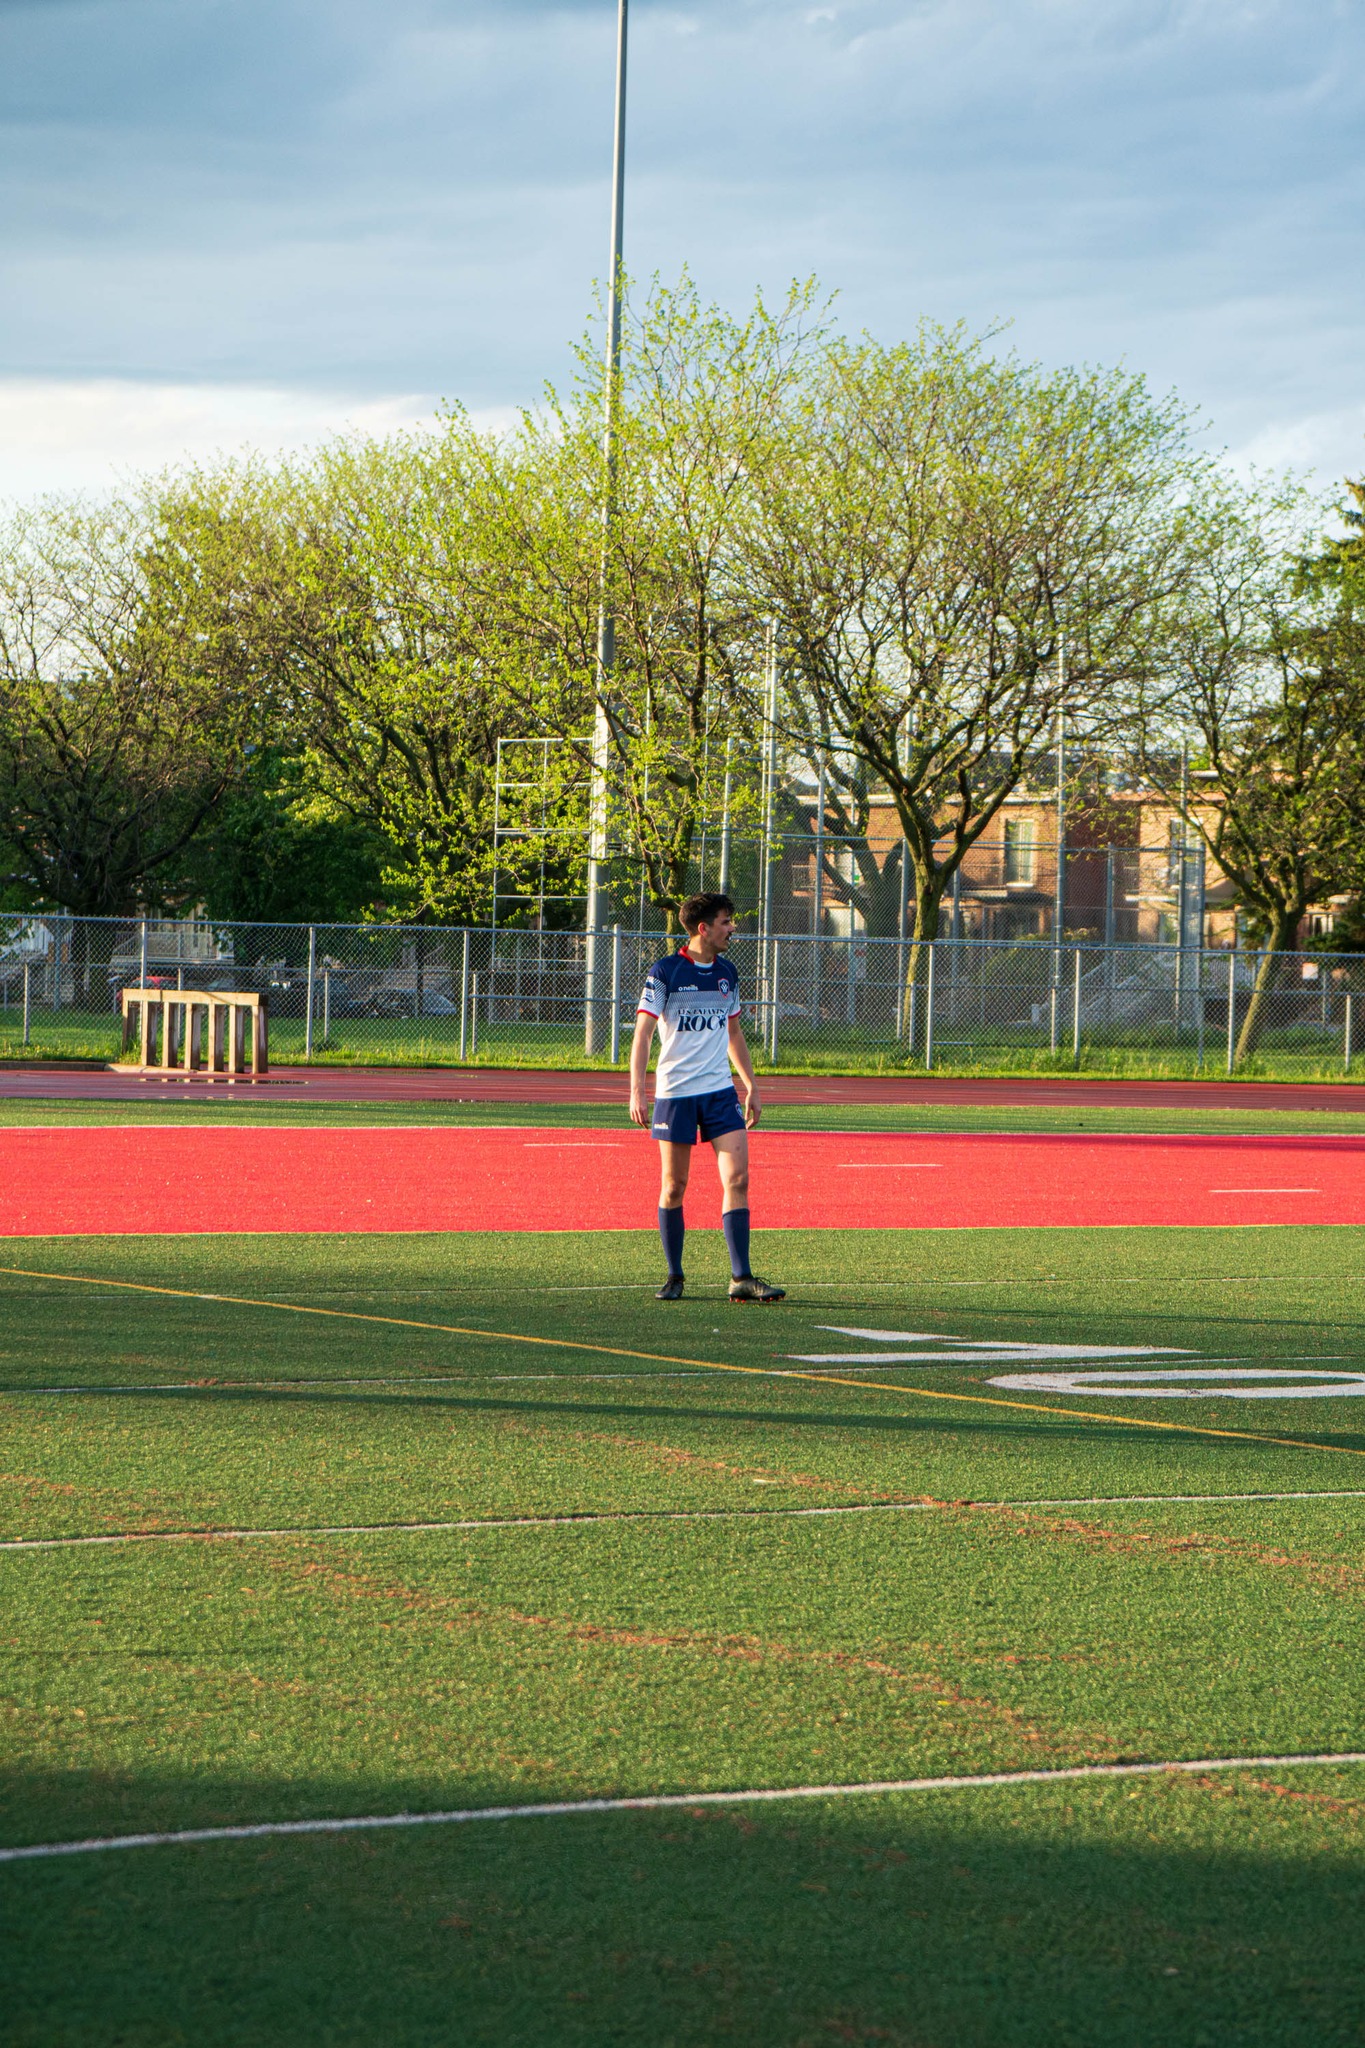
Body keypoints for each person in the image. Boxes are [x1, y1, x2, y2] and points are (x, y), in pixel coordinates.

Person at [629, 891, 785, 1304]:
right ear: (704, 928)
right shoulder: (665, 972)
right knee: (674, 1185)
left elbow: (733, 1033)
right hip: (676, 1094)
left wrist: (751, 1085)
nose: (732, 928)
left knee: (738, 1179)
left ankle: (741, 1277)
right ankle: (675, 1275)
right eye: (726, 922)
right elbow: (643, 1034)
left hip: (719, 1093)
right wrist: (637, 1090)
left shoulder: (728, 973)